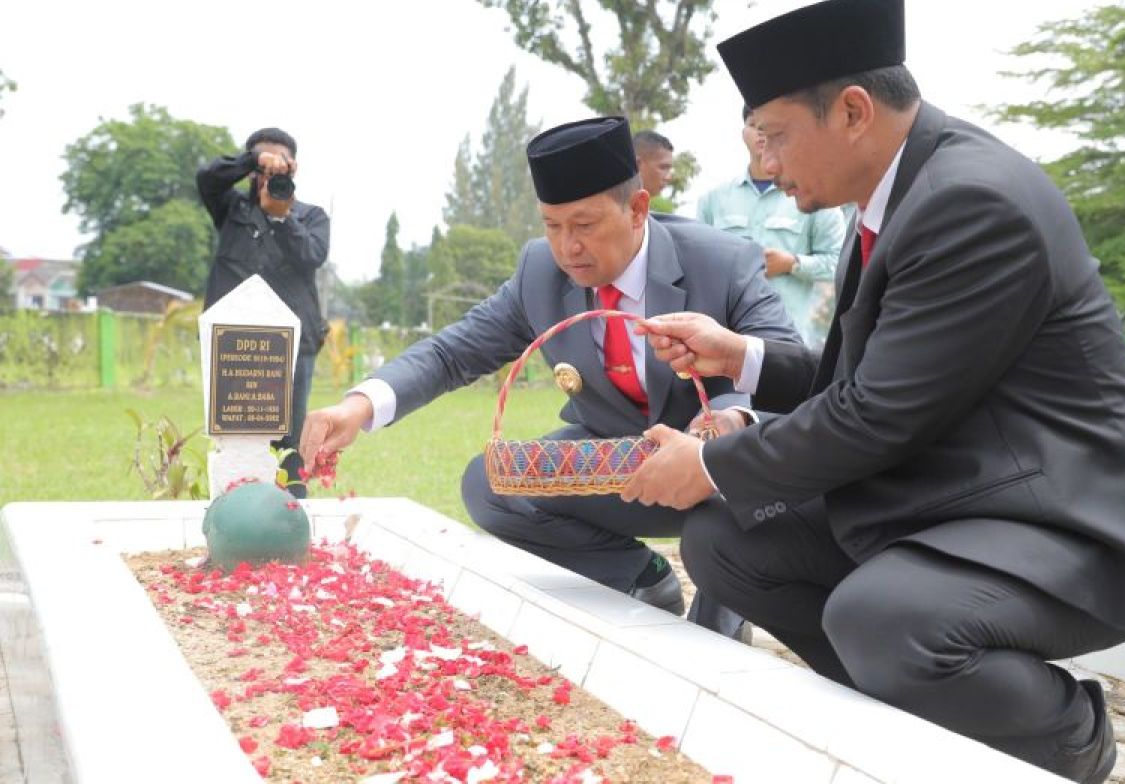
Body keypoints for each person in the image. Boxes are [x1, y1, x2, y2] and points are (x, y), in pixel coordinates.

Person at [619, 0, 1125, 783]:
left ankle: (1068, 738)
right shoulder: (904, 193)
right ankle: (903, 727)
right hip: (960, 494)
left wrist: (710, 463)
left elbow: (876, 415)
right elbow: (870, 378)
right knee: (728, 541)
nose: (765, 166)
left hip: (1072, 517)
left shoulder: (972, 199)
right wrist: (738, 356)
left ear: (853, 110)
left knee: (887, 620)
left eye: (775, 137)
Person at [300, 116, 799, 638]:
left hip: (711, 468)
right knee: (491, 483)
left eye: (584, 225)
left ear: (637, 209)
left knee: (740, 492)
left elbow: (788, 369)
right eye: (551, 226)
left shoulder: (721, 262)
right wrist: (356, 407)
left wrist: (730, 421)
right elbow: (453, 352)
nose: (568, 248)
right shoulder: (539, 272)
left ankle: (721, 627)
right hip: (613, 468)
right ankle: (640, 580)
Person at [198, 128, 330, 498]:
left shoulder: (311, 217)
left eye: (279, 165)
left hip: (294, 343)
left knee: (289, 438)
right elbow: (206, 178)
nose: (271, 175)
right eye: (264, 165)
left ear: (293, 168)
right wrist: (250, 161)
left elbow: (313, 257)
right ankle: (232, 507)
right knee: (233, 432)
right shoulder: (231, 208)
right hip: (231, 343)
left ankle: (292, 515)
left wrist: (282, 219)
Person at [697, 105, 846, 345]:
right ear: (743, 131)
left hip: (789, 339)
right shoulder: (713, 199)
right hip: (726, 338)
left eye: (771, 127)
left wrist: (792, 264)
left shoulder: (813, 196)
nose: (761, 133)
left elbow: (839, 262)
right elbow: (696, 263)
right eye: (755, 125)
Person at [633, 130, 675, 199]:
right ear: (637, 165)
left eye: (669, 169)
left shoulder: (637, 207)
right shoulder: (612, 206)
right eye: (663, 168)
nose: (668, 177)